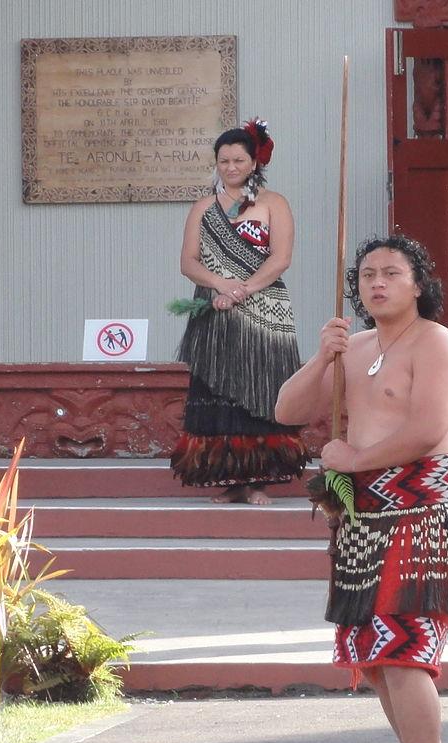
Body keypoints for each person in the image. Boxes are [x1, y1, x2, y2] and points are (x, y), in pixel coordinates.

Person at [275, 235, 448, 743]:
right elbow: (286, 410)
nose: (377, 282)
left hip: (426, 511)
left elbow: (428, 429)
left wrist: (353, 460)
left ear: (418, 284)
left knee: (403, 652)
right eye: (368, 274)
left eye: (392, 273)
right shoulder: (356, 346)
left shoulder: (437, 342)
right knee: (374, 659)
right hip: (364, 517)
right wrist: (324, 357)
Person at [170, 119, 308, 504]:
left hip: (263, 309)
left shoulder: (273, 203)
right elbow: (188, 261)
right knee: (220, 393)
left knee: (259, 390)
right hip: (215, 310)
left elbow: (280, 259)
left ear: (254, 162)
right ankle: (232, 481)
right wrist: (221, 285)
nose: (231, 167)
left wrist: (243, 289)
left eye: (238, 160)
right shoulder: (203, 208)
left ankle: (258, 480)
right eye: (224, 160)